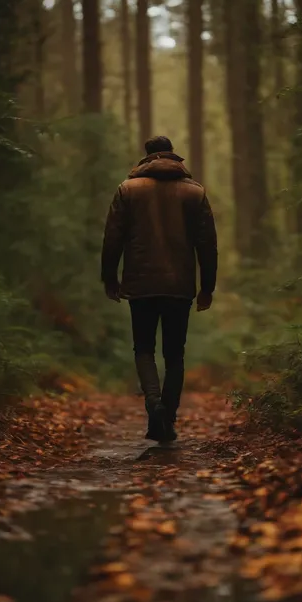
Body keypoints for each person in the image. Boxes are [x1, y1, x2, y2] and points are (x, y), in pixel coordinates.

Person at [101, 136, 218, 443]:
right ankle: (168, 415)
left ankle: (153, 402)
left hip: (140, 283)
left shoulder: (128, 190)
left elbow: (113, 237)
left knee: (143, 349)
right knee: (175, 354)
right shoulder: (194, 193)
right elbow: (207, 244)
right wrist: (207, 287)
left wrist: (109, 278)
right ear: (173, 155)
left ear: (147, 157)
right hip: (179, 285)